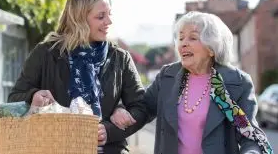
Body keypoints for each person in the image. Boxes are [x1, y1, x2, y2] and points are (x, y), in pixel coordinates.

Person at [8, 0, 146, 153]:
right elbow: (14, 99)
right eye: (100, 16)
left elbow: (141, 107)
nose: (109, 22)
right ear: (79, 19)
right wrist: (33, 96)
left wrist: (110, 131)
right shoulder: (45, 53)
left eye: (110, 14)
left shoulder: (120, 58)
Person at [110, 11, 273, 154]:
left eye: (193, 38)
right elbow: (142, 109)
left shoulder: (236, 83)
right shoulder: (168, 76)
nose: (183, 43)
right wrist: (121, 112)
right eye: (181, 38)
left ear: (211, 48)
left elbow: (247, 133)